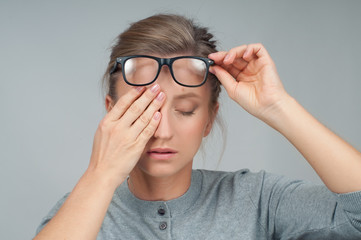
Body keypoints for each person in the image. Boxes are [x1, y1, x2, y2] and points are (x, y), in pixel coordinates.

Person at [34, 14, 361, 239]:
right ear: (111, 115)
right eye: (144, 109)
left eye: (186, 110)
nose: (161, 131)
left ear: (209, 119)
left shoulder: (256, 201)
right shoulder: (79, 211)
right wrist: (100, 173)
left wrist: (279, 106)